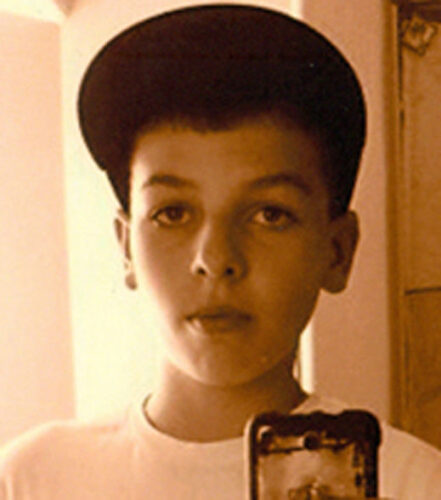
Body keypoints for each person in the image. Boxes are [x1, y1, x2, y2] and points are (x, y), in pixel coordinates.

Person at [1, 4, 441, 499]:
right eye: (172, 213)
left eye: (270, 214)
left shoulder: (414, 483)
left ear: (338, 251)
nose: (215, 259)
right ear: (126, 246)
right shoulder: (32, 479)